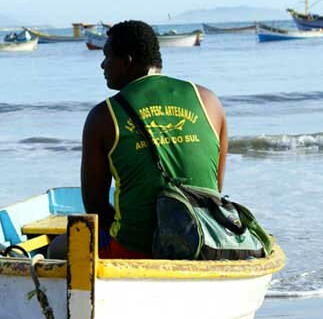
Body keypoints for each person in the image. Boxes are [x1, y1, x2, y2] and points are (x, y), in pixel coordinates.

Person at [47, 20, 227, 259]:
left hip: (134, 249)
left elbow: (95, 208)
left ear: (127, 62)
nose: (102, 65)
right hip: (203, 241)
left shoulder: (103, 116)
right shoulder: (208, 100)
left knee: (56, 247)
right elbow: (214, 187)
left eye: (107, 56)